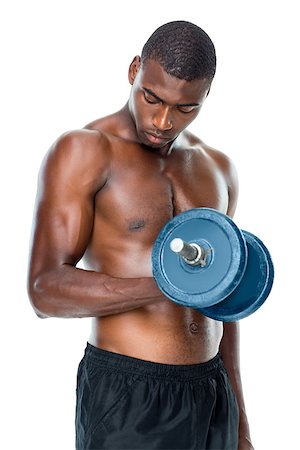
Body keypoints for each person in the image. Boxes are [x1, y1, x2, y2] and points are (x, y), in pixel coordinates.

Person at [27, 20, 254, 450]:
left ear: (207, 94)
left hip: (212, 394)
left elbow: (226, 300)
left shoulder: (218, 168)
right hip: (129, 394)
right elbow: (44, 291)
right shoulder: (85, 150)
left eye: (186, 108)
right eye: (153, 98)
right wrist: (168, 288)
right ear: (135, 70)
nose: (164, 120)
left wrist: (239, 418)